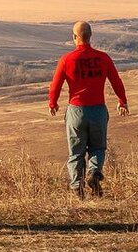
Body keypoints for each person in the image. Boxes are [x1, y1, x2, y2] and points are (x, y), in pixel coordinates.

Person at [48, 21, 128, 198]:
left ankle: (78, 187)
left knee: (75, 152)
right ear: (90, 36)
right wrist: (122, 101)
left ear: (74, 37)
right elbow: (116, 81)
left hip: (76, 111)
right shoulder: (103, 58)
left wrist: (52, 103)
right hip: (98, 110)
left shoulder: (67, 59)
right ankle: (94, 172)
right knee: (98, 148)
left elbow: (55, 86)